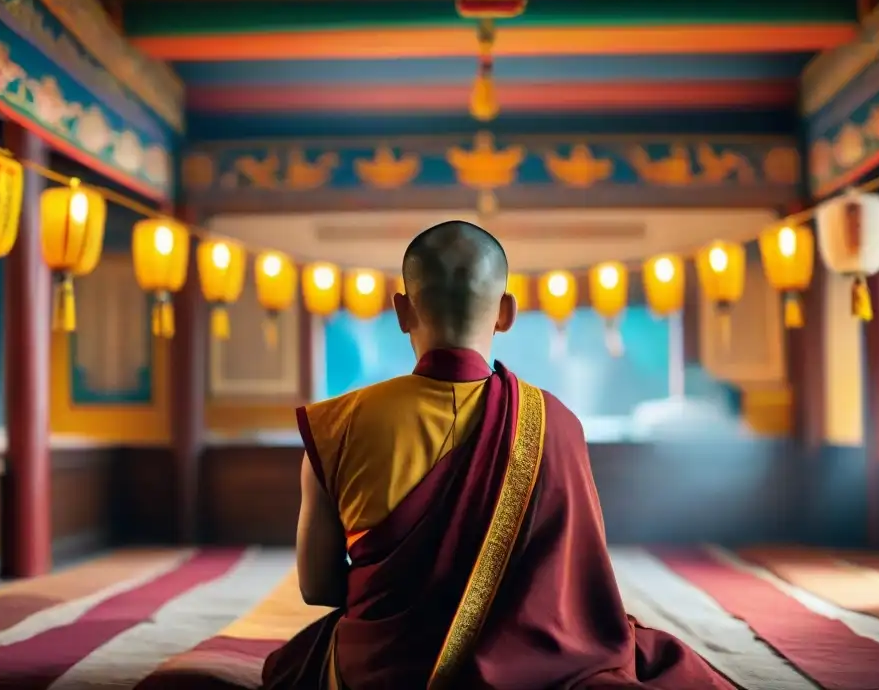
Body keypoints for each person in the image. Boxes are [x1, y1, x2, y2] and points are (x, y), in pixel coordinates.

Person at [262, 220, 732, 689]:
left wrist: (405, 600)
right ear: (506, 312)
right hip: (531, 669)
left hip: (375, 671)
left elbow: (317, 587)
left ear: (402, 311)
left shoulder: (337, 424)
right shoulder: (555, 422)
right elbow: (578, 588)